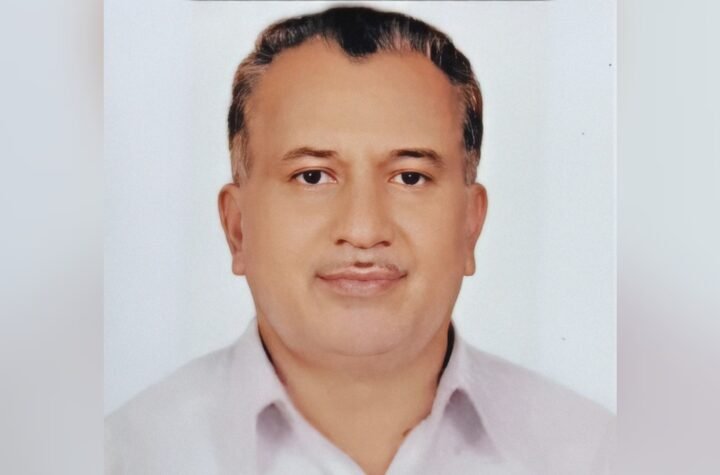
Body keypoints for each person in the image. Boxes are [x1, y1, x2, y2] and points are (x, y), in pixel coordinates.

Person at [105, 6, 614, 474]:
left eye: (410, 177)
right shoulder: (125, 455)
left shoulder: (598, 453)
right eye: (312, 176)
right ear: (237, 228)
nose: (364, 229)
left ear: (470, 226)